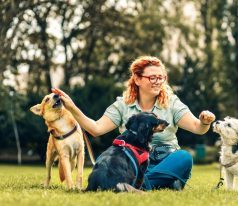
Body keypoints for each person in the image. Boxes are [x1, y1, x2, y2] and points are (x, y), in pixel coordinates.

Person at [52, 56, 215, 191]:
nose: (158, 81)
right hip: (135, 163)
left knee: (184, 157)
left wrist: (204, 122)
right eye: (152, 77)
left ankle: (136, 186)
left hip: (167, 160)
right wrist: (72, 108)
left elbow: (197, 128)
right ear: (137, 79)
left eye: (161, 77)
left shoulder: (172, 102)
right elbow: (96, 129)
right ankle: (159, 184)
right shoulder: (122, 105)